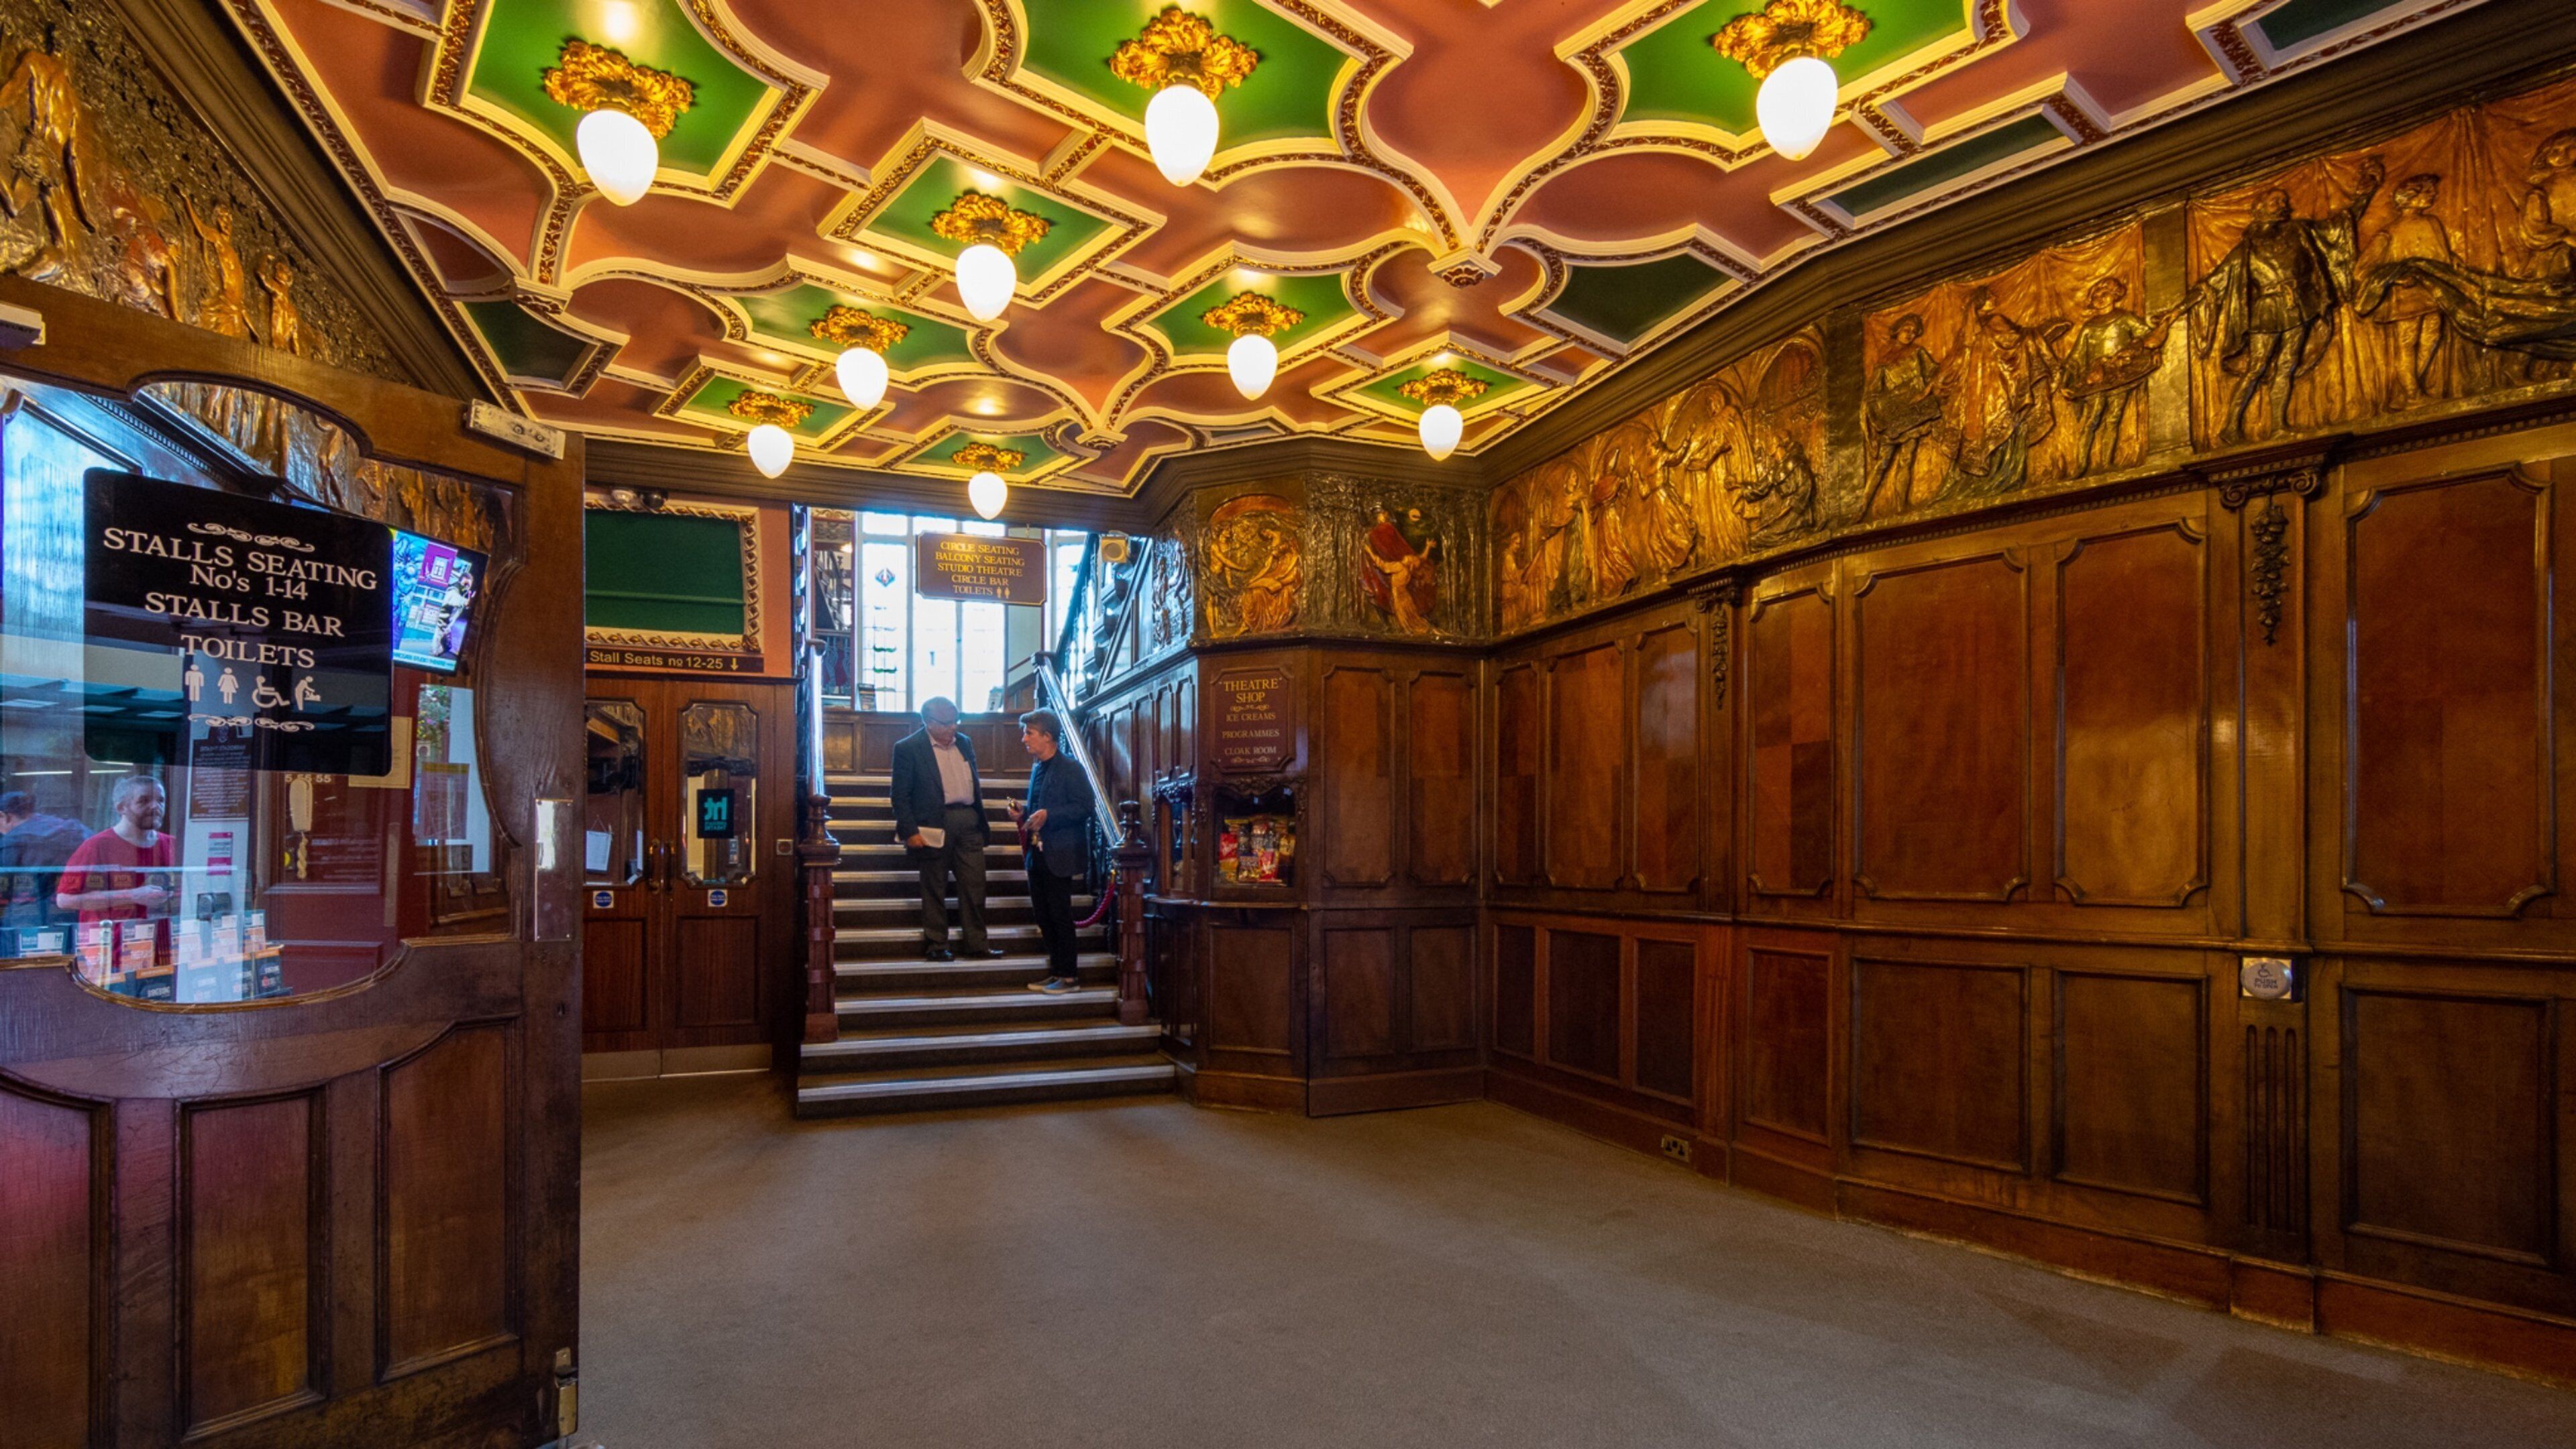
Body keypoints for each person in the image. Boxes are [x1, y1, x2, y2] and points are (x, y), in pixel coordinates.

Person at [889, 696, 996, 963]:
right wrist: (909, 831)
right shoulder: (908, 748)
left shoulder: (965, 743)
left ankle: (977, 944)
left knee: (975, 885)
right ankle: (937, 944)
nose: (953, 728)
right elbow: (900, 795)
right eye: (946, 723)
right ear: (928, 722)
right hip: (933, 826)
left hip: (969, 821)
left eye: (956, 721)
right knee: (934, 887)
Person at [1008, 709, 1095, 994]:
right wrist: (1024, 813)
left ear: (1048, 736)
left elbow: (1085, 807)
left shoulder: (1071, 767)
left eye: (1029, 733)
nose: (1024, 739)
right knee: (1044, 916)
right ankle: (1058, 971)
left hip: (1060, 854)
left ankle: (1069, 977)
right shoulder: (1038, 768)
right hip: (1038, 854)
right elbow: (1039, 808)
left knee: (1059, 915)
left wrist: (1050, 815)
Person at [56, 775, 175, 950]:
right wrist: (131, 895)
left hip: (163, 949)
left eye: (161, 800)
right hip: (111, 953)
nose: (155, 806)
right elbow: (65, 900)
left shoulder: (173, 845)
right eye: (144, 801)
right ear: (121, 807)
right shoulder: (96, 846)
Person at [0, 790, 86, 953]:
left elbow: (4, 889)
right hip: (73, 919)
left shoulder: (12, 842)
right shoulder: (74, 829)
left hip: (27, 924)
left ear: (5, 817)